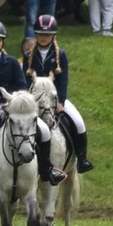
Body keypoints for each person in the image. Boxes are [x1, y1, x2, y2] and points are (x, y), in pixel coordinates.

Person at [0, 20, 67, 190]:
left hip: (15, 109)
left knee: (45, 130)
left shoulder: (11, 62)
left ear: (2, 42)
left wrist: (13, 101)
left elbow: (22, 86)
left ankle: (47, 169)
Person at [21, 15, 94, 173]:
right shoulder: (28, 57)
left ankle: (81, 158)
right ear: (36, 34)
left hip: (54, 98)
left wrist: (60, 101)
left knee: (78, 122)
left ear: (53, 35)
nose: (43, 37)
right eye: (40, 34)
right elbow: (24, 82)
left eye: (47, 34)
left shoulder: (60, 55)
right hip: (34, 100)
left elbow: (63, 80)